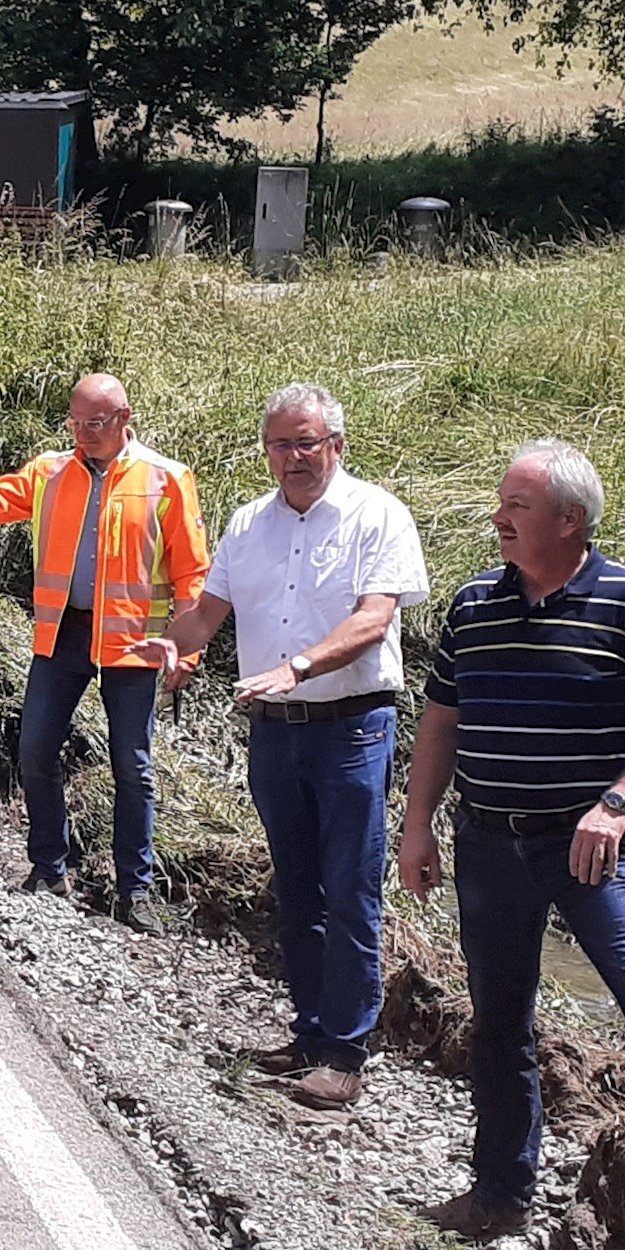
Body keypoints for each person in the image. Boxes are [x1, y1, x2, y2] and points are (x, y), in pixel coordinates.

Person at [391, 439, 625, 1250]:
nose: (498, 518)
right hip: (489, 844)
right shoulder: (473, 605)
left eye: (516, 507)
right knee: (500, 1021)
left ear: (570, 520)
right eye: (502, 504)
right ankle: (499, 1193)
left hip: (589, 849)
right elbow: (442, 721)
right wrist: (417, 821)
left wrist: (617, 801)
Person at [139, 385, 426, 1113]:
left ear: (336, 444)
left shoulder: (377, 515)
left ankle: (344, 1053)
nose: (293, 458)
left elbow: (373, 622)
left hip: (353, 727)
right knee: (296, 889)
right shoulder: (248, 523)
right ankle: (308, 1032)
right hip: (274, 732)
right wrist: (173, 649)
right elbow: (207, 612)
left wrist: (297, 666)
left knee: (352, 889)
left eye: (306, 443)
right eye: (280, 444)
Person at [0, 376, 209, 926]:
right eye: (74, 423)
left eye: (93, 424)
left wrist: (185, 652)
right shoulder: (51, 471)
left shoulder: (166, 479)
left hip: (133, 643)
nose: (82, 434)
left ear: (124, 417)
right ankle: (49, 866)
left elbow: (193, 572)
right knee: (35, 749)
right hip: (61, 634)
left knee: (132, 767)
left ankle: (134, 891)